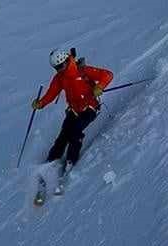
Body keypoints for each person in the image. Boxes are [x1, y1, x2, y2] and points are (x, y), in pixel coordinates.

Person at [32, 47, 113, 177]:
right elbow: (51, 93)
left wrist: (100, 86)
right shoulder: (59, 78)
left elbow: (107, 75)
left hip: (90, 108)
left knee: (75, 132)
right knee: (63, 136)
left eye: (60, 66)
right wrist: (41, 103)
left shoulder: (82, 71)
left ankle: (71, 161)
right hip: (73, 111)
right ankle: (51, 162)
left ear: (66, 61)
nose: (59, 70)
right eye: (56, 68)